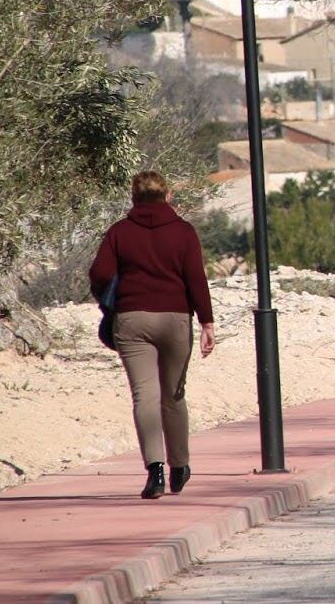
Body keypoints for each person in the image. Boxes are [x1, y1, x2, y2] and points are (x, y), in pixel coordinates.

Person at [89, 171, 215, 499]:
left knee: (144, 395)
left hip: (132, 320)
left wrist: (113, 299)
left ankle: (155, 470)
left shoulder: (119, 232)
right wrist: (207, 323)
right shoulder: (184, 232)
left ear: (134, 197)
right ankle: (180, 465)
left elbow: (100, 273)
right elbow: (195, 279)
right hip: (175, 319)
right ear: (168, 196)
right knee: (173, 394)